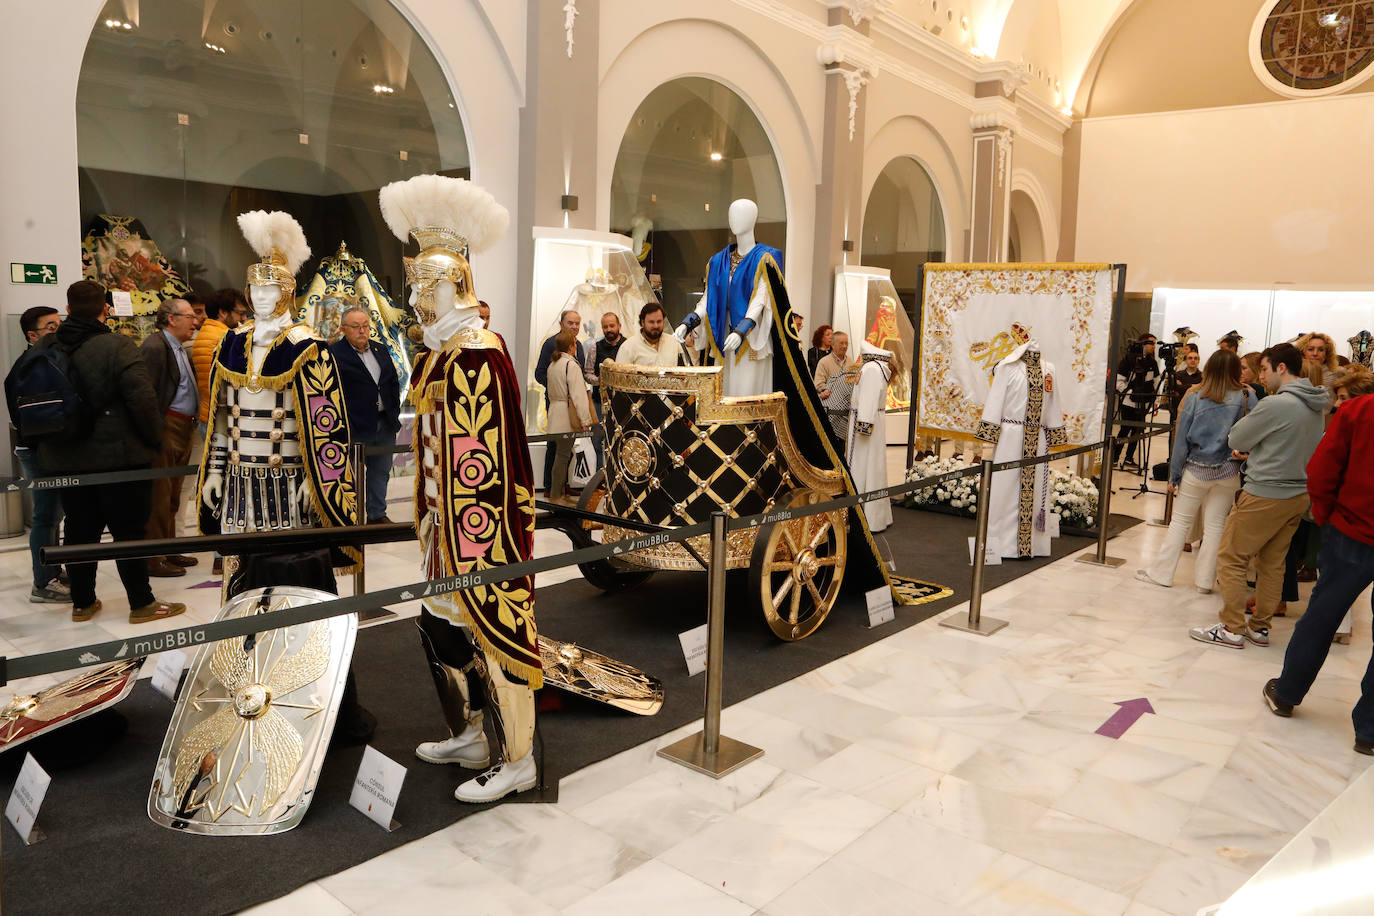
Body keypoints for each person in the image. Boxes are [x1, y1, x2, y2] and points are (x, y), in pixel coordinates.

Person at [33, 280, 184, 625]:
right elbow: (142, 401)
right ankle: (141, 603)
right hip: (119, 457)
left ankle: (83, 603)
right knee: (128, 531)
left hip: (65, 457)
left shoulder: (45, 346)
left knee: (78, 531)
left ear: (67, 310)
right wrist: (154, 442)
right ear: (106, 309)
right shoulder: (118, 346)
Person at [1261, 368, 1374, 754]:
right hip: (1351, 528)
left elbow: (1321, 470)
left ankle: (1288, 693)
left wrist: (1327, 516)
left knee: (1322, 616)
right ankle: (1370, 731)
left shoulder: (1360, 411)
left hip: (1352, 531)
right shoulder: (1359, 410)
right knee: (1322, 617)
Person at [1190, 343, 1328, 649]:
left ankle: (1232, 627)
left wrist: (1257, 443)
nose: (1260, 376)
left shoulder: (1277, 404)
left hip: (1266, 491)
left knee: (1231, 556)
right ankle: (1260, 627)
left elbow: (1237, 437)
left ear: (1281, 368)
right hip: (1297, 493)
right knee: (1274, 563)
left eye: (1263, 369)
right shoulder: (1316, 404)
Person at [1137, 350, 1256, 593]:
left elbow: (1181, 440)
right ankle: (1204, 582)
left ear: (1209, 367)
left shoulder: (1195, 396)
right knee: (1215, 528)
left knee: (1180, 522)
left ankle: (1162, 573)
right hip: (1229, 470)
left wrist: (1174, 475)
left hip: (1197, 468)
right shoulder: (1246, 397)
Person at [4, 306, 68, 602]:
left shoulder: (44, 359)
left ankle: (51, 570)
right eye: (51, 327)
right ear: (33, 334)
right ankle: (43, 582)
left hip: (45, 449)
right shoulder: (32, 364)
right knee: (46, 515)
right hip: (38, 450)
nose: (58, 331)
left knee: (54, 514)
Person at [139, 297, 201, 577]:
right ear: (171, 319)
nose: (195, 321)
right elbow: (147, 394)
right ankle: (154, 558)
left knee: (174, 495)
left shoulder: (177, 348)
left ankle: (169, 549)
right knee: (159, 496)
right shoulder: (155, 347)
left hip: (183, 427)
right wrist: (156, 431)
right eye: (189, 316)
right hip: (167, 427)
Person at [330, 305, 402, 524]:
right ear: (343, 329)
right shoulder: (334, 354)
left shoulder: (380, 349)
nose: (362, 331)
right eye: (356, 327)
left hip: (384, 423)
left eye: (365, 326)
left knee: (380, 472)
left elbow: (391, 383)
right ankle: (349, 515)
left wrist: (393, 413)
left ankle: (376, 514)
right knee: (349, 474)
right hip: (354, 426)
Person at [533, 309, 584, 493]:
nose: (574, 326)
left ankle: (563, 484)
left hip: (573, 405)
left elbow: (581, 374)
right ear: (561, 323)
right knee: (554, 445)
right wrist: (558, 387)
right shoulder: (550, 344)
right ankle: (550, 486)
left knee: (568, 446)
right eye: (570, 323)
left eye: (577, 323)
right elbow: (539, 373)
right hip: (557, 403)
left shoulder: (580, 345)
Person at [545, 330, 594, 505]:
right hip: (567, 414)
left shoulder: (553, 364)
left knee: (561, 454)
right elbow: (578, 395)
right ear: (572, 346)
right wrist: (585, 420)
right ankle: (556, 494)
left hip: (555, 412)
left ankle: (556, 492)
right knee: (563, 455)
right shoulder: (570, 365)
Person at [192, 289, 243, 426]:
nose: (243, 319)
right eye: (240, 313)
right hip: (220, 416)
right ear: (223, 312)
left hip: (207, 412)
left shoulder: (206, 332)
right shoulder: (224, 337)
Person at [1113, 333, 1159, 467]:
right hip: (1128, 402)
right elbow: (1119, 380)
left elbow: (1156, 382)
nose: (1153, 346)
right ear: (1143, 344)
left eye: (1155, 343)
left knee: (1138, 431)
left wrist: (1153, 399)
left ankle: (1129, 458)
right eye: (1151, 343)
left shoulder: (1152, 362)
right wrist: (1130, 392)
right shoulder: (1128, 359)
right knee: (1124, 430)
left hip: (1143, 403)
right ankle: (1114, 458)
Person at [615, 301, 685, 367]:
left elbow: (683, 374)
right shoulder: (628, 348)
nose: (656, 326)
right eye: (651, 322)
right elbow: (619, 378)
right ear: (642, 322)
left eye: (659, 321)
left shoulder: (673, 343)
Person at [812, 331, 850, 398]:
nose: (844, 346)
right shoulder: (823, 362)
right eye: (841, 343)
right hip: (830, 403)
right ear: (832, 344)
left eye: (846, 343)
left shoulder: (851, 362)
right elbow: (818, 384)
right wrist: (832, 390)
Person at [1168, 346, 1202, 416]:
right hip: (1178, 409)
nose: (1193, 360)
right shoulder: (1177, 375)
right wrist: (1193, 386)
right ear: (1185, 360)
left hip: (1196, 411)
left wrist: (1182, 387)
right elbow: (1175, 388)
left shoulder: (1203, 376)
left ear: (1198, 361)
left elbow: (1203, 390)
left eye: (1195, 358)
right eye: (1190, 358)